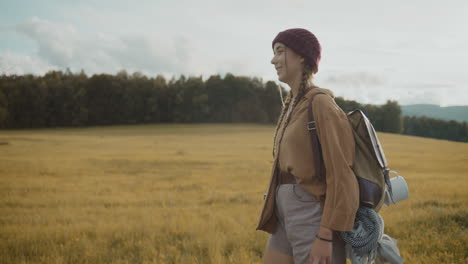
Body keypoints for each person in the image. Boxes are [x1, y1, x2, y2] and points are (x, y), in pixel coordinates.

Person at [256, 28, 360, 264]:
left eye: (280, 51)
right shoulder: (292, 104)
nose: (273, 60)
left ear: (301, 55)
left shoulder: (321, 103)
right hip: (283, 209)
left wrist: (325, 236)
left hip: (311, 212)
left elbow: (341, 174)